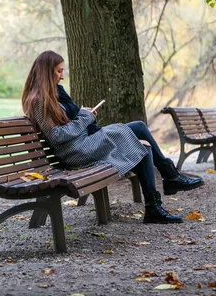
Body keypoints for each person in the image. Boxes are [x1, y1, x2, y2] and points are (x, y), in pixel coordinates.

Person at [22, 51, 204, 224]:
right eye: (59, 71)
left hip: (82, 143)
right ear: (47, 71)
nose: (62, 76)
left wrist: (82, 115)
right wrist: (84, 118)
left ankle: (155, 206)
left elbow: (67, 123)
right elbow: (55, 136)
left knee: (142, 140)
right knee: (136, 131)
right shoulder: (39, 100)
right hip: (75, 152)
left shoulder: (56, 93)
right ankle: (170, 178)